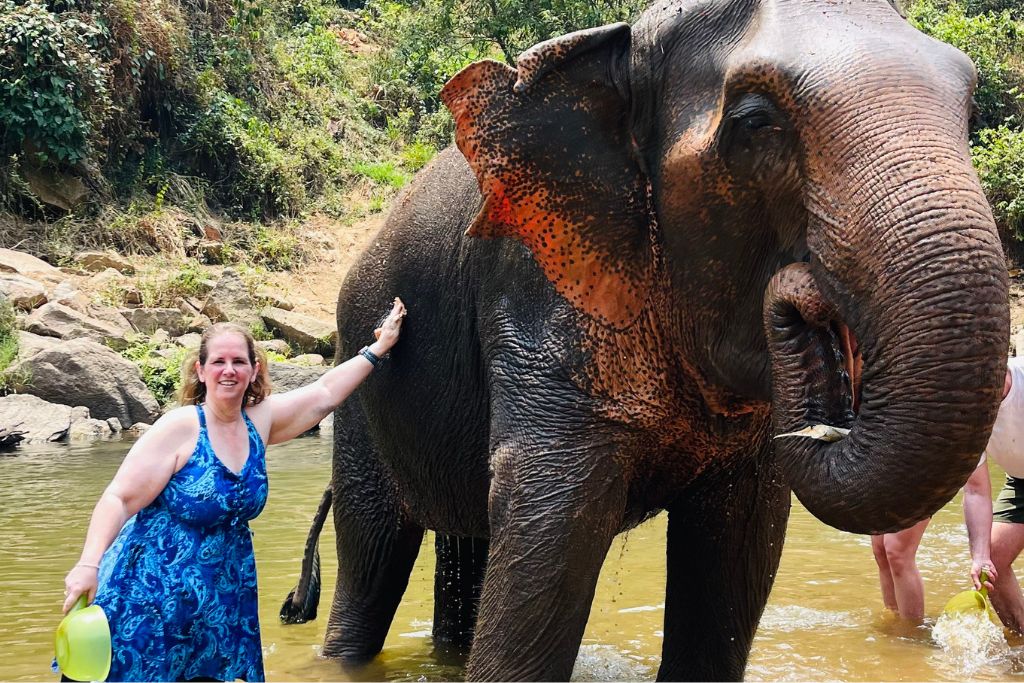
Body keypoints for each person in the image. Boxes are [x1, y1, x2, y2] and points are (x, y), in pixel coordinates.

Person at [60, 297, 407, 682]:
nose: (229, 370)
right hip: (152, 592)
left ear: (254, 369)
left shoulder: (259, 421)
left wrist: (379, 348)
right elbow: (119, 498)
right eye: (219, 362)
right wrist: (88, 565)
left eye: (239, 362)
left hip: (223, 595)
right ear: (201, 370)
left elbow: (325, 392)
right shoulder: (180, 427)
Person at [963, 356, 1024, 633]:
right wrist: (980, 556)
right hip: (1020, 481)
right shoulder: (965, 417)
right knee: (993, 563)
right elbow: (976, 491)